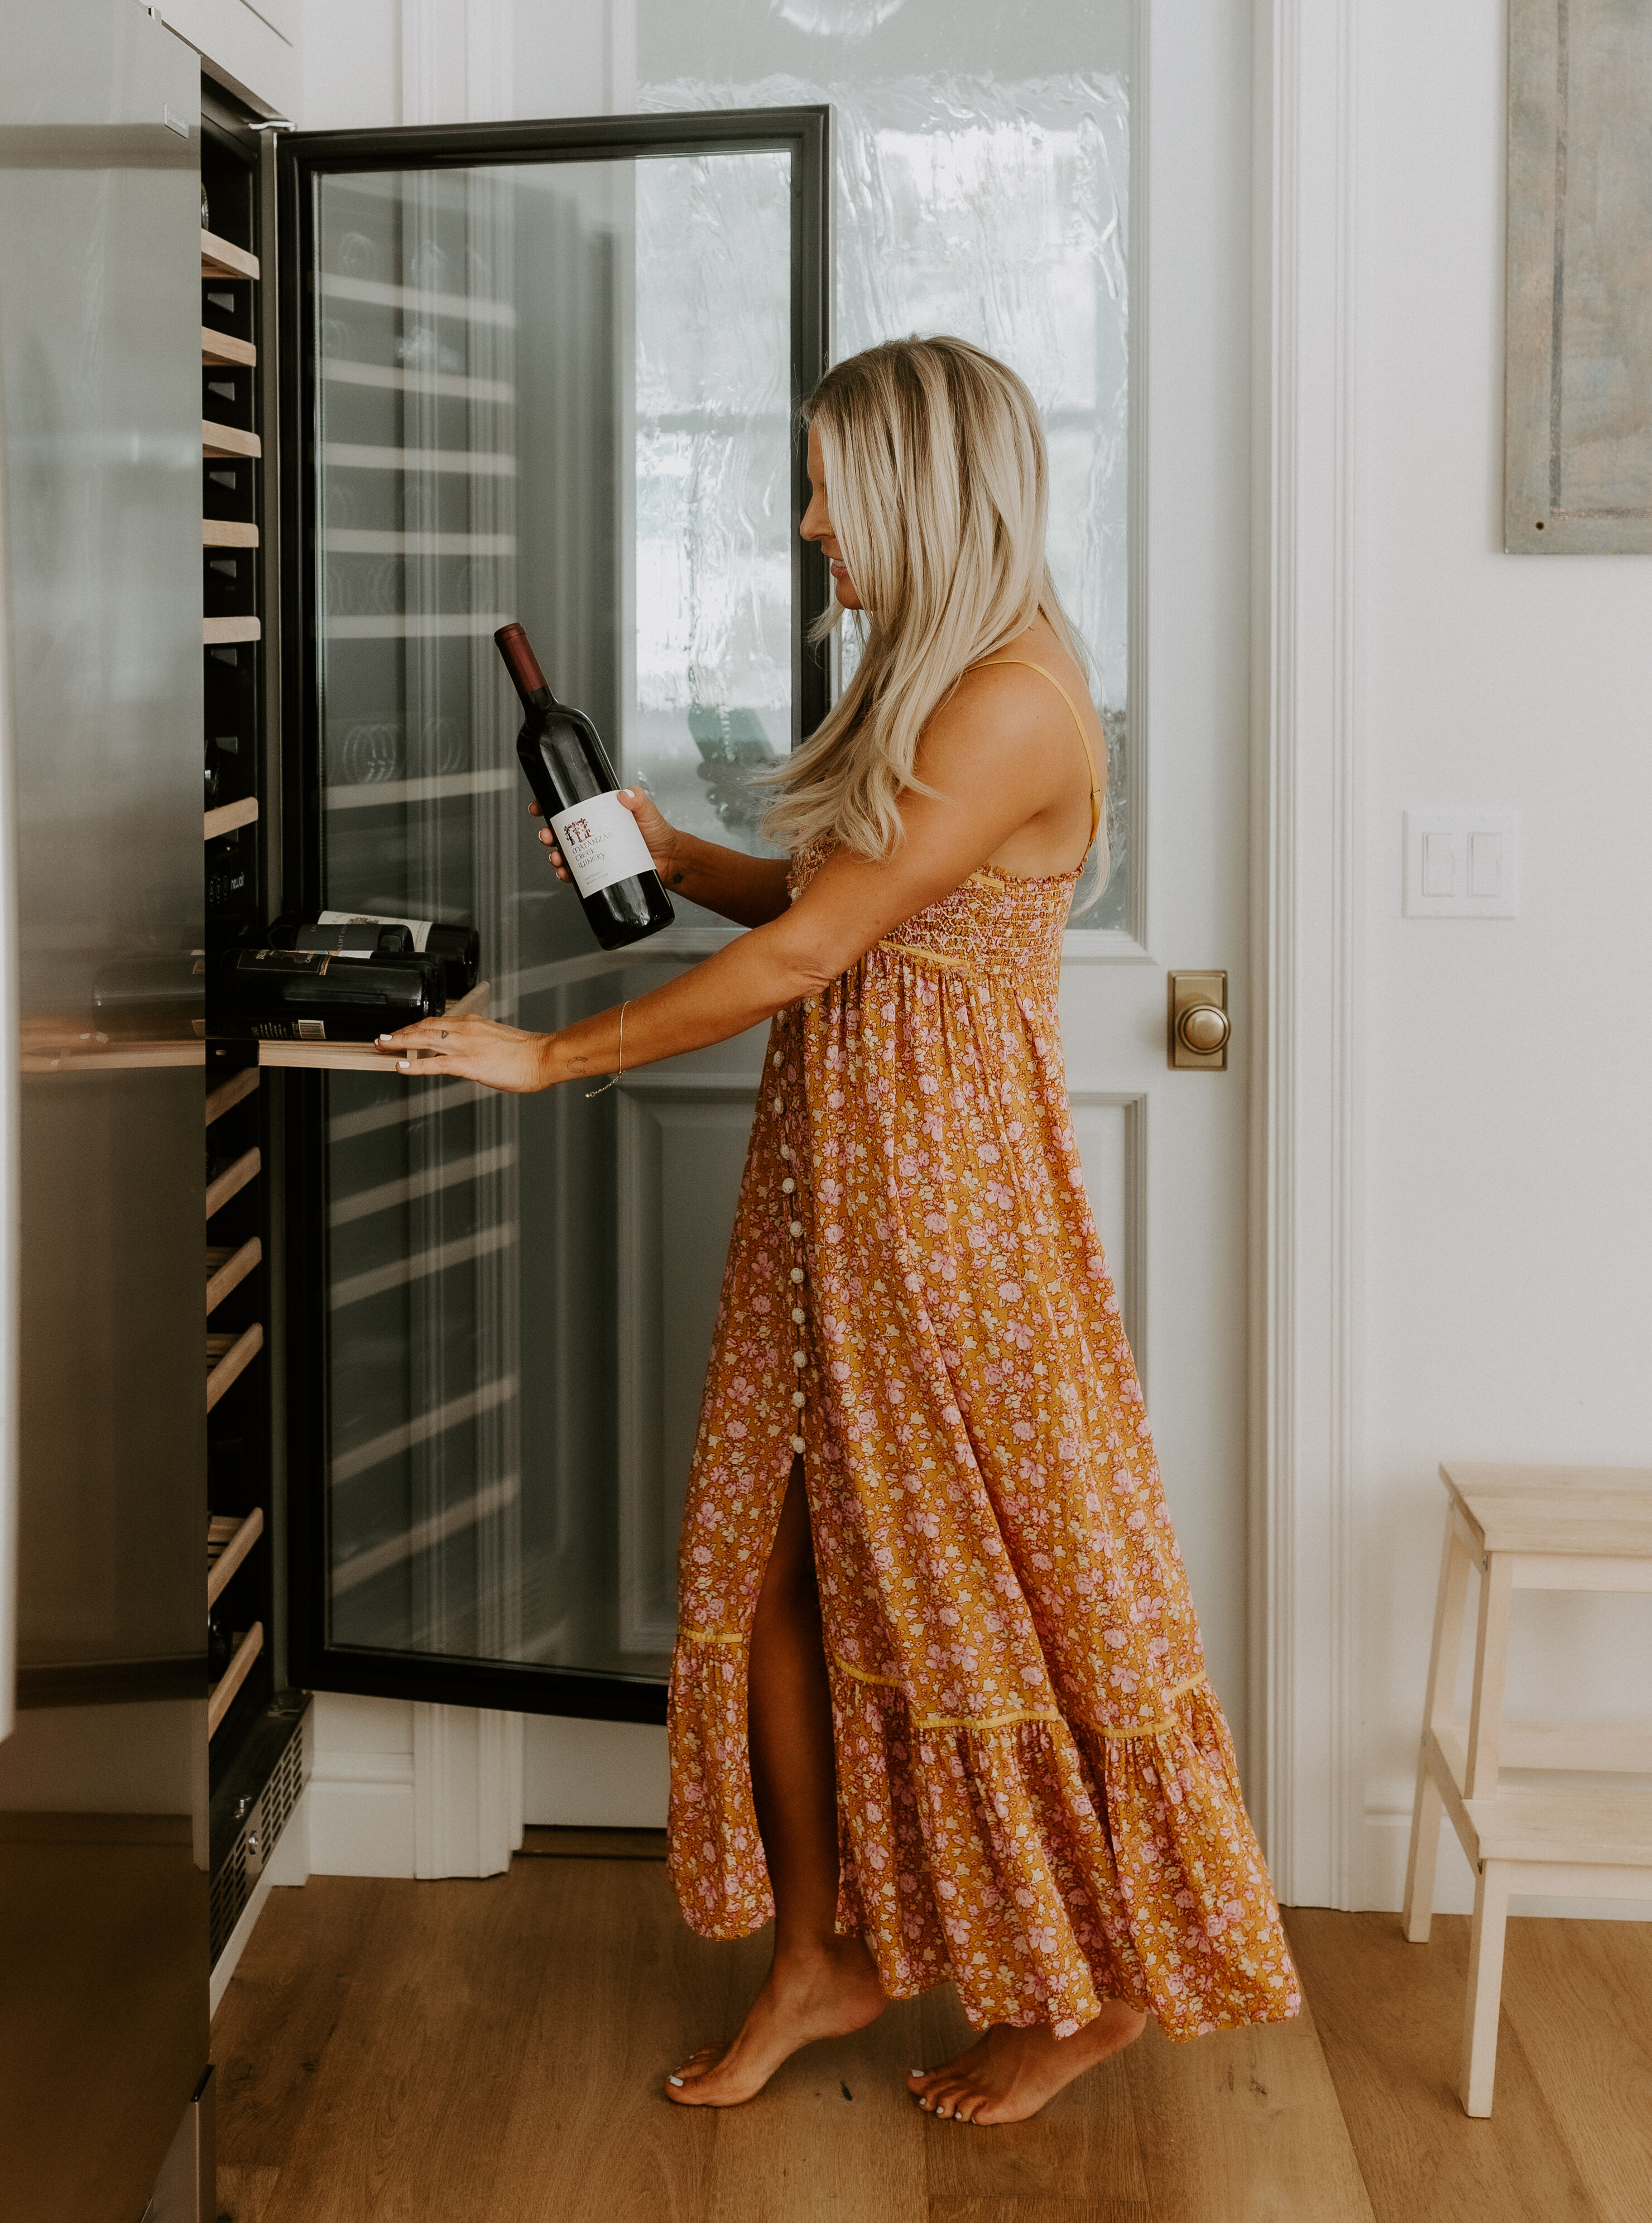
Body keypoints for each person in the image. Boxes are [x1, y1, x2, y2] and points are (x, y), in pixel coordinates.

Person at [381, 335, 1300, 2125]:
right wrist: (673, 845)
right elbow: (834, 908)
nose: (807, 526)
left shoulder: (1015, 698)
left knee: (992, 1598)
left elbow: (811, 955)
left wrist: (550, 1054)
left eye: (826, 490)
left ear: (916, 493)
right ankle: (827, 1954)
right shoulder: (933, 678)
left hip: (941, 1225)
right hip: (849, 1197)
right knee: (787, 1586)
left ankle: (1090, 1984)